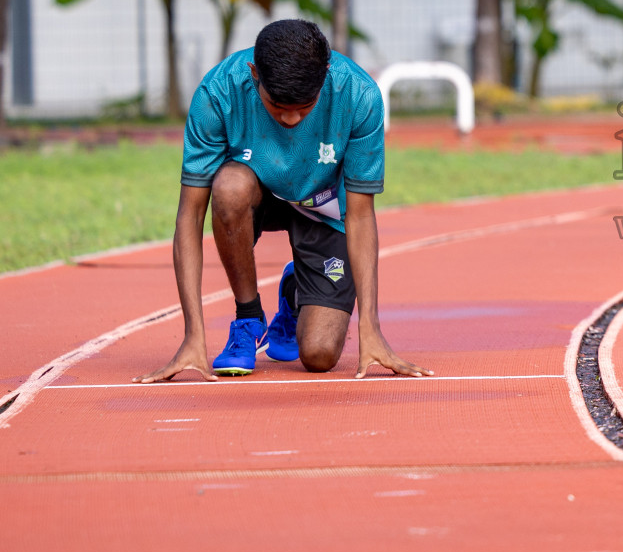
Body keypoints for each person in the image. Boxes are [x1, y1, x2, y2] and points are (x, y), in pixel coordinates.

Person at [135, 19, 430, 382]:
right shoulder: (218, 93)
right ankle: (248, 318)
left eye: (305, 107)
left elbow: (360, 216)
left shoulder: (359, 95)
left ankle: (294, 295)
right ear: (254, 74)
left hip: (323, 207)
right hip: (256, 191)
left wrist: (371, 327)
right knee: (228, 186)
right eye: (277, 106)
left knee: (319, 354)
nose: (291, 118)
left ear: (325, 75)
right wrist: (192, 336)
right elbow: (190, 215)